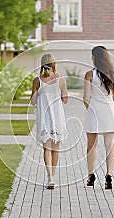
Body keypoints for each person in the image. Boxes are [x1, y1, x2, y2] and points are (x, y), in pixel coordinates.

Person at [83, 46, 114, 189]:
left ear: (94, 57)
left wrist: (90, 110)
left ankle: (91, 175)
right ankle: (109, 175)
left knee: (91, 145)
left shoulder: (89, 74)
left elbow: (86, 98)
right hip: (109, 111)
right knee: (110, 145)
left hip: (94, 110)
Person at [30, 53, 68, 189]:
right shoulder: (61, 79)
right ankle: (53, 177)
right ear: (54, 64)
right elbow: (65, 99)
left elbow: (33, 100)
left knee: (46, 148)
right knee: (55, 150)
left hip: (44, 118)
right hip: (57, 117)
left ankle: (50, 177)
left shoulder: (37, 80)